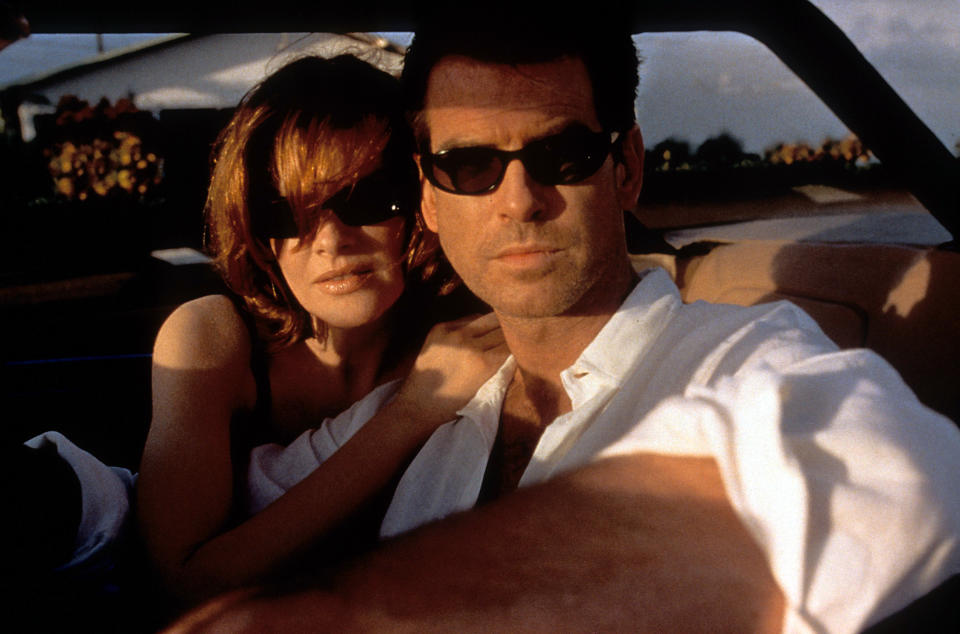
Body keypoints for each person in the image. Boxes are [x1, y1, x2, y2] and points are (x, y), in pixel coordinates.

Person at [169, 19, 960, 634]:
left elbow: (885, 472)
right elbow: (229, 531)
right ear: (431, 198)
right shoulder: (430, 396)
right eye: (469, 165)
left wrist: (362, 613)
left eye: (563, 154)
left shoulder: (735, 354)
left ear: (627, 169)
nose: (518, 199)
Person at [11, 53, 507, 621]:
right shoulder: (213, 336)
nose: (331, 241)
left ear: (420, 204)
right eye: (286, 213)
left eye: (366, 198)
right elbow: (181, 584)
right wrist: (413, 414)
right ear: (256, 229)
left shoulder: (462, 335)